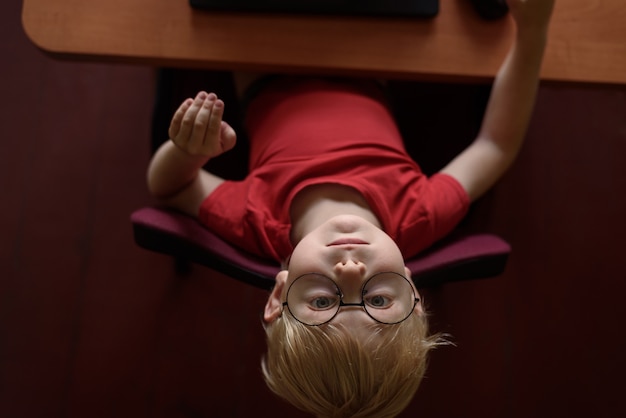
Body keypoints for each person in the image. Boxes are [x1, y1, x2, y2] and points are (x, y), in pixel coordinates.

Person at [146, 1, 555, 416]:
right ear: (412, 292)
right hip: (367, 51)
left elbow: (170, 188)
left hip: (266, 46)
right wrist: (533, 32)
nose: (350, 270)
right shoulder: (420, 214)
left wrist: (187, 153)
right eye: (378, 301)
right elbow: (495, 146)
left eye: (323, 303)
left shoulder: (257, 220)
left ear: (279, 295)